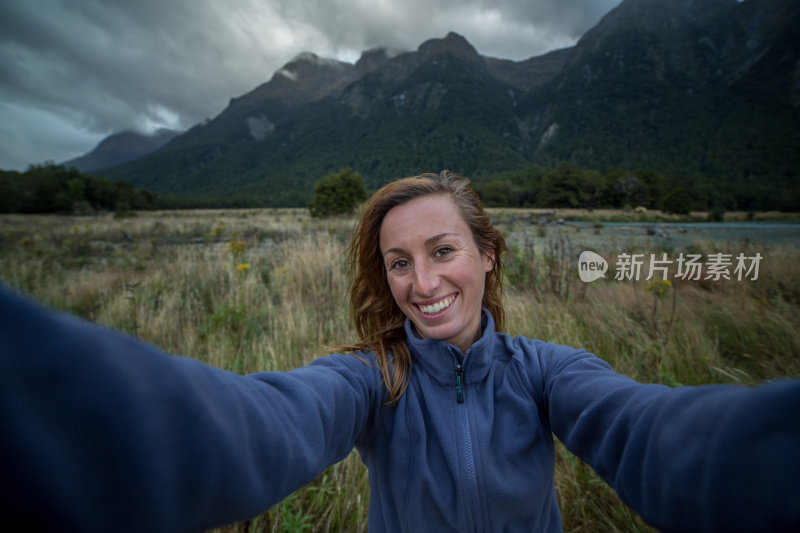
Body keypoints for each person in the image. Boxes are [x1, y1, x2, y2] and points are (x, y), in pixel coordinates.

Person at [0, 171, 798, 533]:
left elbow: (657, 433)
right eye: (398, 261)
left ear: (489, 253)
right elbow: (254, 424)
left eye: (444, 249)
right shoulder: (366, 377)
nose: (423, 282)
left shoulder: (549, 370)